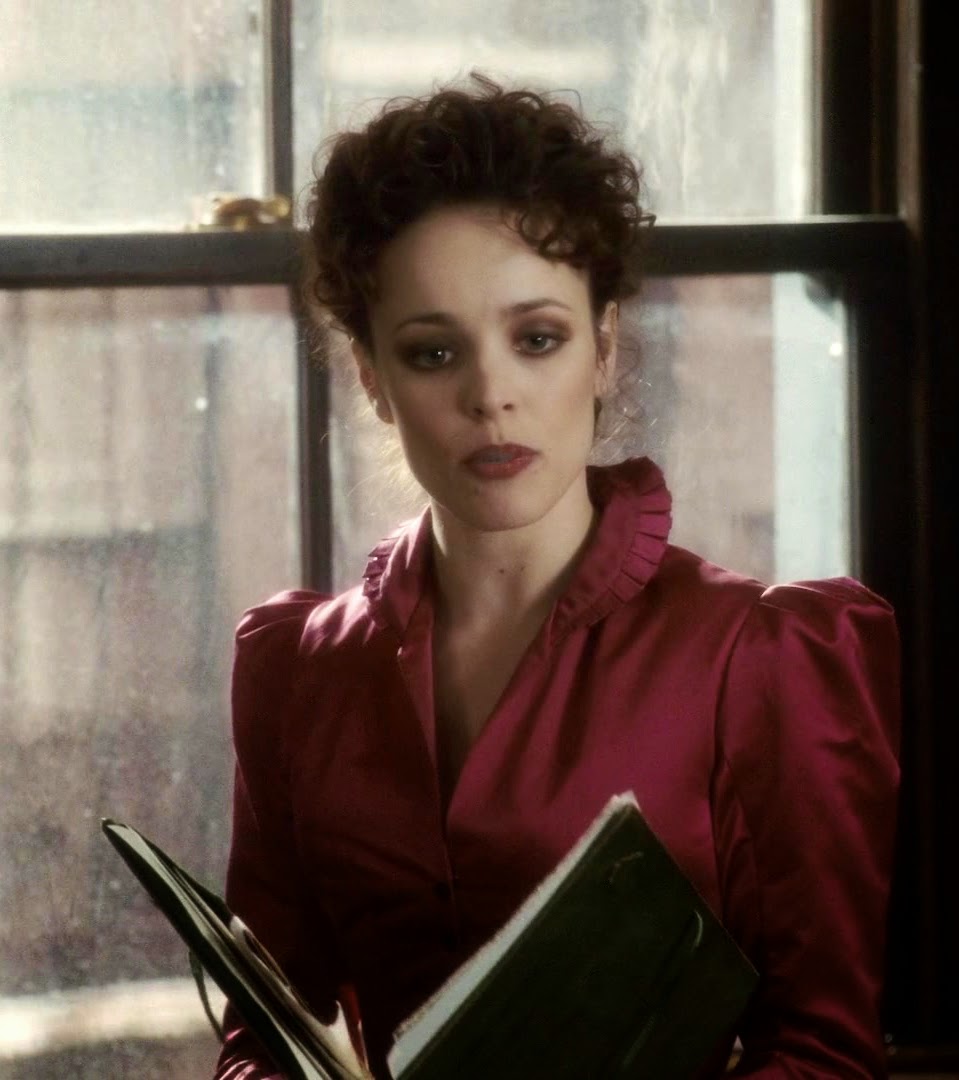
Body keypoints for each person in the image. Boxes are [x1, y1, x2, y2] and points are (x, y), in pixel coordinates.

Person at [213, 74, 900, 1079]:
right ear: (370, 376)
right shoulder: (296, 670)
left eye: (536, 339)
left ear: (603, 347)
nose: (490, 394)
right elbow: (257, 1038)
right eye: (432, 352)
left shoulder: (757, 657)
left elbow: (821, 1053)